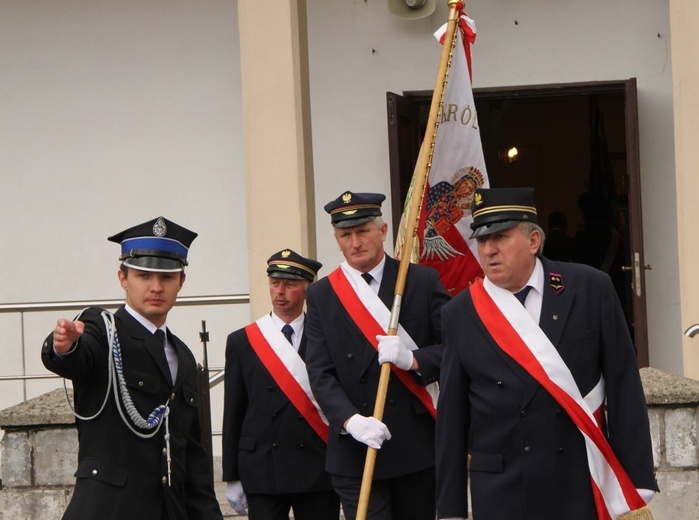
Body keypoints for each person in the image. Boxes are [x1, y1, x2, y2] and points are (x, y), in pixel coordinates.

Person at [435, 188, 658, 520]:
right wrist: (450, 508)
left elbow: (624, 385)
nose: (489, 250)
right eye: (482, 241)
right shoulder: (460, 313)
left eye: (501, 237)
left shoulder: (589, 289)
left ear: (534, 240)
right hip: (501, 487)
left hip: (577, 478)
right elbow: (452, 416)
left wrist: (637, 478)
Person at [41, 216, 223, 520]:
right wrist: (64, 347)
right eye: (143, 276)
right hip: (109, 509)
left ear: (181, 282)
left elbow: (191, 456)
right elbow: (79, 356)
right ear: (123, 278)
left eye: (166, 278)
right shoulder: (102, 328)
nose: (155, 287)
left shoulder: (184, 357)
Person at [305, 190, 451, 520]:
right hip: (355, 450)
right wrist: (349, 420)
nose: (355, 243)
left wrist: (414, 360)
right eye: (346, 235)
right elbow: (319, 371)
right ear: (337, 240)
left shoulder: (420, 280)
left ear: (382, 231)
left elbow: (455, 351)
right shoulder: (322, 295)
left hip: (414, 445)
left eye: (363, 231)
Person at [221, 248, 340, 519]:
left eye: (290, 284)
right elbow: (234, 411)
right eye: (275, 283)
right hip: (263, 468)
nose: (280, 291)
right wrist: (232, 476)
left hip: (316, 467)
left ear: (307, 288)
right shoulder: (243, 341)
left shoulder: (327, 338)